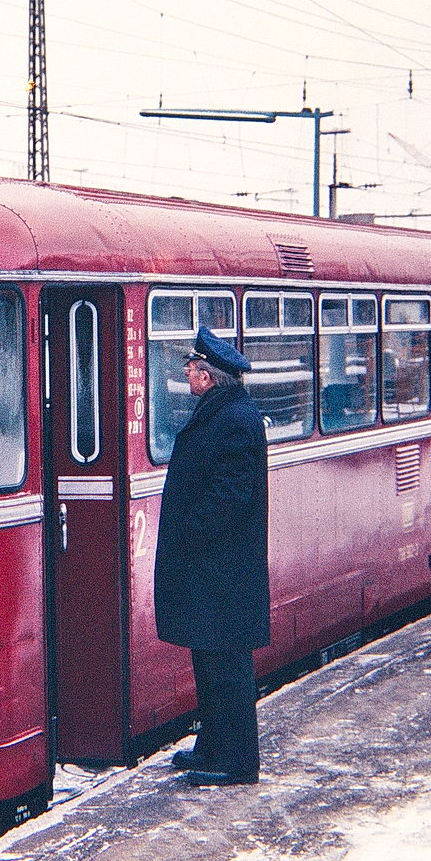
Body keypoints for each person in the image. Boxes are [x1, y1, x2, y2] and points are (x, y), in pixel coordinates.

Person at [153, 326, 270, 787]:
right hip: (213, 567)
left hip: (223, 567)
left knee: (227, 665)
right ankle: (212, 748)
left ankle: (237, 761)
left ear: (207, 376)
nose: (186, 373)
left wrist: (189, 529)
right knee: (209, 660)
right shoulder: (223, 412)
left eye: (192, 368)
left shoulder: (235, 419)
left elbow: (231, 495)